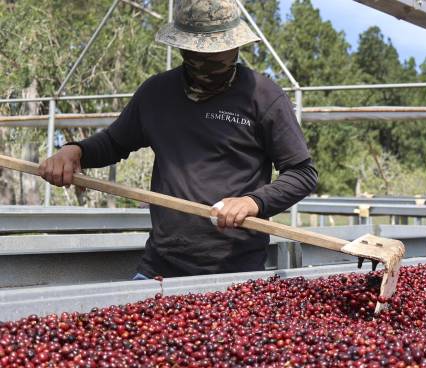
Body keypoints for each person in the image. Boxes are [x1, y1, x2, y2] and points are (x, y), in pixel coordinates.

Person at [38, 0, 317, 278]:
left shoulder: (263, 96)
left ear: (235, 47)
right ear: (182, 47)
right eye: (198, 55)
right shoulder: (156, 93)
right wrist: (74, 151)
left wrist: (252, 202)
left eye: (217, 56)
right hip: (159, 269)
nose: (207, 64)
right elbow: (113, 143)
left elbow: (302, 174)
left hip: (235, 274)